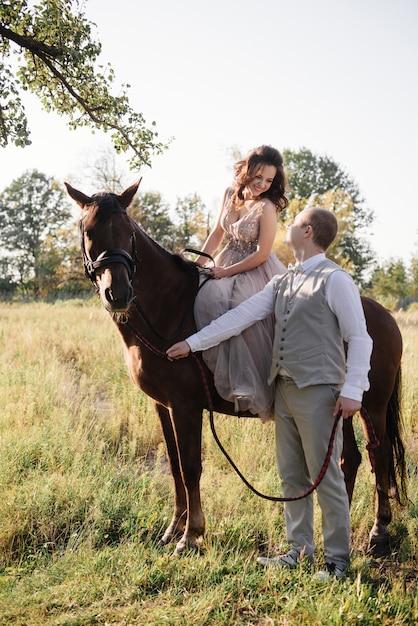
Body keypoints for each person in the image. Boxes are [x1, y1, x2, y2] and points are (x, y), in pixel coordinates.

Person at [167, 207, 373, 581]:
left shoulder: (336, 280)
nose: (287, 226)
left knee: (324, 477)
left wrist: (353, 390)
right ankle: (298, 550)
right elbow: (240, 317)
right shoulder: (284, 280)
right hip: (284, 390)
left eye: (293, 223)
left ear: (307, 232)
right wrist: (192, 343)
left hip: (321, 393)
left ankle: (338, 563)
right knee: (292, 477)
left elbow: (360, 337)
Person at [193, 145, 287, 421]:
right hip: (223, 260)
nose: (262, 185)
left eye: (269, 181)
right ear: (247, 170)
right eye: (258, 177)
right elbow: (216, 234)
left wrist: (227, 272)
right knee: (198, 294)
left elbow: (263, 253)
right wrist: (198, 266)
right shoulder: (228, 194)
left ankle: (248, 384)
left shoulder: (266, 207)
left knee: (237, 307)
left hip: (253, 267)